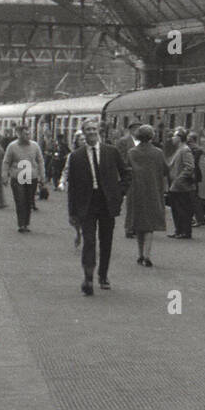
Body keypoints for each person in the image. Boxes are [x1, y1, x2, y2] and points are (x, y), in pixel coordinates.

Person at [65, 121, 131, 295]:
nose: (92, 132)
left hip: (107, 201)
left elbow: (126, 173)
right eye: (88, 130)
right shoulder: (76, 156)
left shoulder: (111, 151)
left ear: (98, 131)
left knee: (106, 240)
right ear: (83, 133)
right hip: (87, 203)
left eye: (94, 129)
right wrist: (72, 212)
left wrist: (120, 192)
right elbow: (72, 187)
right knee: (89, 241)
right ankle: (88, 277)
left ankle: (103, 275)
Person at [126, 125, 168, 266]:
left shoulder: (132, 152)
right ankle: (147, 255)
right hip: (153, 190)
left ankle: (139, 254)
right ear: (151, 136)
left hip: (136, 190)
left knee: (138, 224)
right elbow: (165, 170)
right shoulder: (158, 152)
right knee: (149, 225)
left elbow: (126, 169)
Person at [2, 125, 44, 233]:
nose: (28, 136)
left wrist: (42, 176)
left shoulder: (35, 146)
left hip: (31, 176)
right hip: (18, 176)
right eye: (25, 134)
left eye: (29, 133)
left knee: (29, 200)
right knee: (20, 200)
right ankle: (21, 224)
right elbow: (6, 161)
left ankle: (26, 223)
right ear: (19, 134)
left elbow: (40, 161)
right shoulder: (12, 146)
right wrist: (5, 175)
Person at [165, 128, 196, 239]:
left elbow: (190, 167)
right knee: (176, 210)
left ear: (179, 138)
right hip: (176, 186)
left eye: (174, 136)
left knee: (182, 209)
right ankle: (179, 230)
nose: (172, 138)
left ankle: (184, 232)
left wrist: (179, 179)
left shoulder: (185, 150)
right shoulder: (179, 150)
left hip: (181, 187)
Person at [116, 122, 142, 237]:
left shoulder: (144, 142)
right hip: (129, 175)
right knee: (131, 204)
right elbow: (120, 158)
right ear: (132, 130)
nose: (139, 132)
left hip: (141, 176)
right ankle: (129, 228)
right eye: (138, 129)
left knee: (140, 203)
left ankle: (137, 226)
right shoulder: (123, 141)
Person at [187, 132, 205, 227]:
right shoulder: (194, 149)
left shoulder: (194, 149)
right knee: (192, 197)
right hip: (194, 175)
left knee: (193, 198)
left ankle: (199, 219)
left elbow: (192, 163)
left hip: (192, 176)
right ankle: (192, 218)